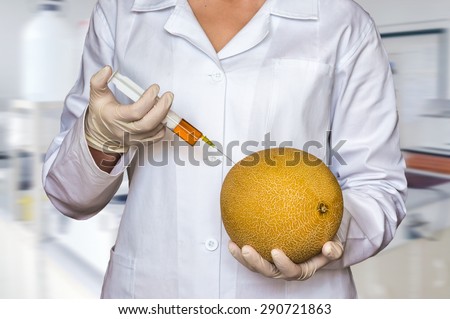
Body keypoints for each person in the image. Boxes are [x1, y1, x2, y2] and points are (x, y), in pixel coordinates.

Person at [43, 0, 407, 298]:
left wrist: (324, 235)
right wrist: (99, 139)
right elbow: (69, 197)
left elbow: (379, 187)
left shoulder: (343, 22)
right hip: (152, 293)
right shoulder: (122, 12)